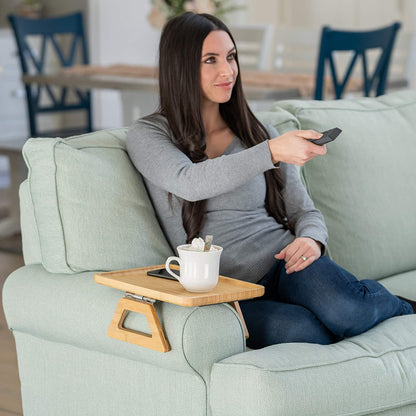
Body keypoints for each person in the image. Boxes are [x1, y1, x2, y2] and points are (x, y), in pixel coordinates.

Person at [127, 12, 414, 349]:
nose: (228, 71)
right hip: (229, 293)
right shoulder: (149, 135)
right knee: (304, 334)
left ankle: (397, 304)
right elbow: (190, 181)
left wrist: (312, 241)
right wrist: (272, 151)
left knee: (348, 310)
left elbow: (304, 212)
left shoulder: (258, 133)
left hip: (286, 262)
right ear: (180, 67)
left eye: (231, 57)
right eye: (211, 60)